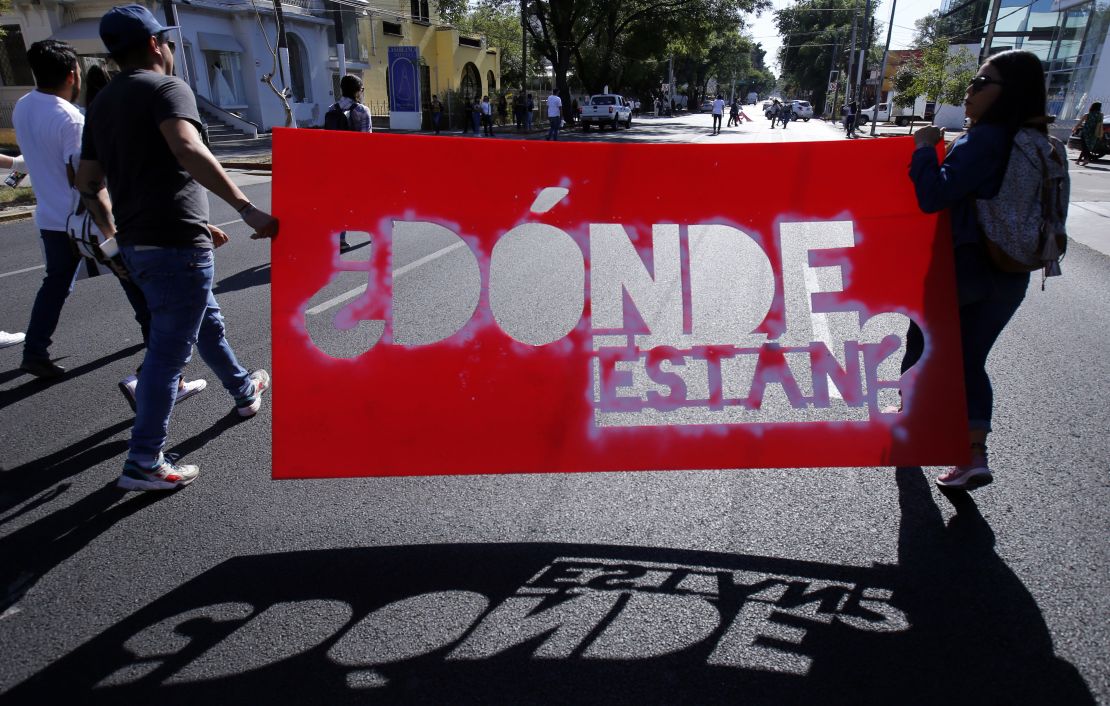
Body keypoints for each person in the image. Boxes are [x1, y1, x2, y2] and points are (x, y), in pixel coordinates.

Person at [77, 4, 278, 491]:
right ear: (153, 44)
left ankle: (241, 387)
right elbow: (186, 149)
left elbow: (88, 181)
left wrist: (114, 237)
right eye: (165, 41)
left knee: (204, 322)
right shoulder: (166, 88)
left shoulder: (102, 102)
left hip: (142, 244)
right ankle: (144, 459)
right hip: (175, 247)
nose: (168, 49)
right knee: (169, 353)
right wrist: (246, 208)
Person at [905, 49, 1061, 490]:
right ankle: (973, 455)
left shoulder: (984, 140)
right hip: (1012, 273)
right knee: (971, 359)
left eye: (980, 82)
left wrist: (922, 151)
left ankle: (908, 434)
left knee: (921, 350)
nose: (968, 92)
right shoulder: (1041, 145)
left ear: (1006, 93)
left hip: (962, 269)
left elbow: (935, 195)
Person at [329, 74, 370, 250]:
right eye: (361, 89)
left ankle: (339, 238)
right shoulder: (362, 111)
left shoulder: (331, 109)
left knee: (338, 201)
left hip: (335, 164)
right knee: (369, 197)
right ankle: (379, 227)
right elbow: (366, 142)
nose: (362, 93)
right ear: (356, 91)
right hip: (356, 164)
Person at [1074, 101, 1103, 166]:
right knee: (1087, 147)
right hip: (1094, 133)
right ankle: (1079, 160)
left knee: (1084, 147)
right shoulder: (1101, 115)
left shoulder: (1087, 114)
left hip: (1085, 132)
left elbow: (1080, 123)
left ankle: (1086, 159)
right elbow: (1100, 125)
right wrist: (1100, 133)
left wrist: (1075, 128)